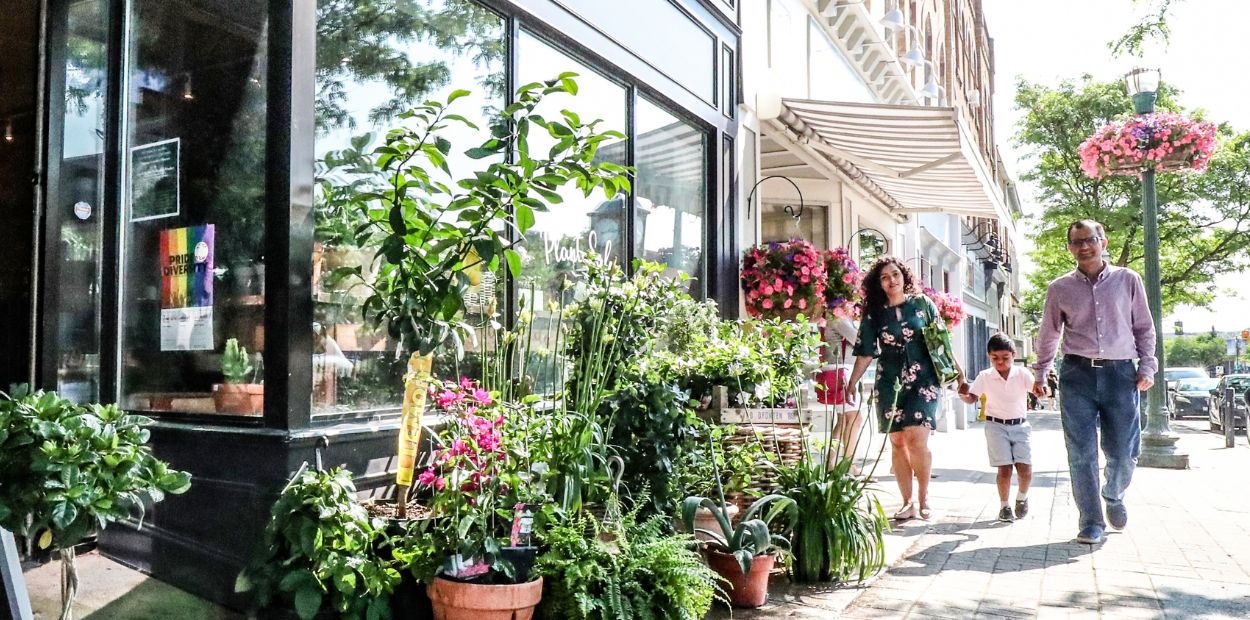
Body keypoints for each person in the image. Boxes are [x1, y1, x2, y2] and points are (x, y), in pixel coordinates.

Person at [1032, 220, 1156, 545]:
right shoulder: (1059, 288)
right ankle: (1091, 521)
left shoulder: (1128, 280)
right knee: (1081, 453)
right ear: (1070, 248)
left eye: (1089, 240)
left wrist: (1148, 366)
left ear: (1103, 241)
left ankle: (1114, 495)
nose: (1084, 247)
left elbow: (1143, 326)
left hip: (1121, 374)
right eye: (1076, 242)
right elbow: (1049, 334)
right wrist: (1041, 373)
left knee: (1124, 451)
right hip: (1077, 375)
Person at [846, 257, 964, 521]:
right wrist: (853, 381)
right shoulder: (874, 313)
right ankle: (907, 502)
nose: (892, 280)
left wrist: (958, 373)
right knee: (898, 442)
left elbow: (940, 341)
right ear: (879, 284)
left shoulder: (923, 304)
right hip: (889, 380)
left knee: (917, 439)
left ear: (904, 276)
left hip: (924, 379)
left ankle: (924, 498)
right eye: (885, 277)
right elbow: (866, 351)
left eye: (895, 274)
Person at [959, 334, 1034, 522]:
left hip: (1020, 425)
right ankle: (1004, 506)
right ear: (988, 356)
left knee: (1025, 468)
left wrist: (1043, 389)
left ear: (1013, 355)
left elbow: (1037, 389)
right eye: (995, 358)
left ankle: (1022, 498)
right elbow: (971, 398)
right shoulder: (985, 376)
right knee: (1004, 469)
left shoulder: (1022, 374)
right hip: (996, 426)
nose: (1000, 362)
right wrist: (962, 393)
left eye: (1005, 358)